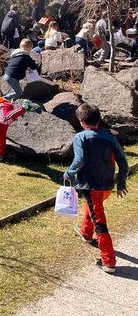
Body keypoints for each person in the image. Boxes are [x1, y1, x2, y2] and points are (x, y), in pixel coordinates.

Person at [64, 103, 129, 274]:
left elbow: (79, 160)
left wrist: (68, 173)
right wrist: (121, 182)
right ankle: (86, 233)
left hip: (91, 185)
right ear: (99, 119)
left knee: (99, 221)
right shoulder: (109, 137)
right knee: (94, 206)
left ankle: (109, 260)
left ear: (81, 122)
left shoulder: (80, 137)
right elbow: (123, 160)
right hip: (107, 184)